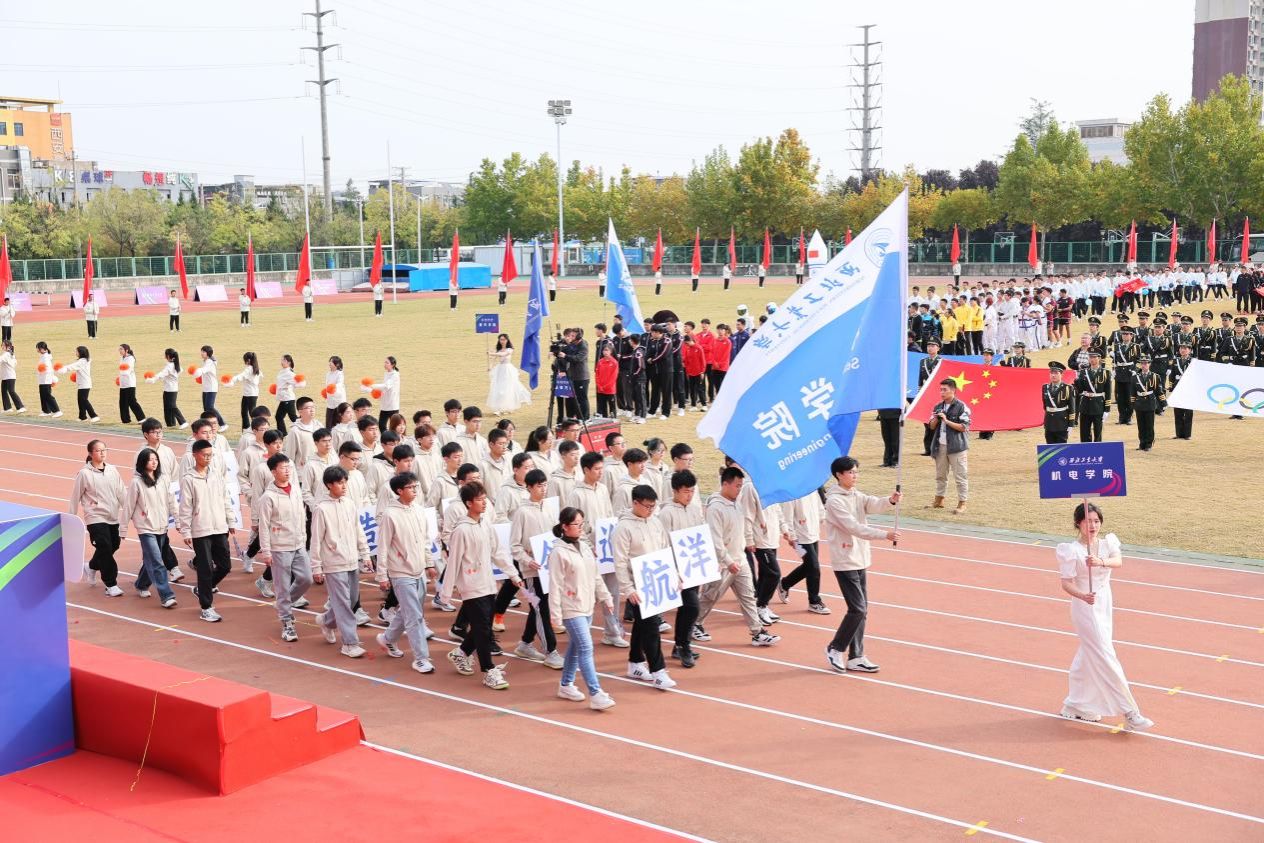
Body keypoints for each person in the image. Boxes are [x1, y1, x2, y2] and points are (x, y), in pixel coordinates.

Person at [1056, 503, 1153, 731]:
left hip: (1104, 603)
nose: (1093, 525)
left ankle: (1076, 704)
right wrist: (1082, 595)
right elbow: (1066, 583)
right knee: (1105, 654)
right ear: (1078, 523)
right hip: (1085, 606)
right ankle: (1130, 712)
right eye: (1087, 521)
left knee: (1090, 652)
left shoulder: (1108, 543)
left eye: (1096, 521)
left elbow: (1118, 561)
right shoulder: (1071, 550)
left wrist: (1100, 562)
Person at [442, 481, 522, 689]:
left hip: (487, 583)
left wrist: (513, 574)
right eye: (479, 499)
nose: (484, 503)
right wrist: (445, 592)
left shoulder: (486, 524)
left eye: (485, 498)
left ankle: (461, 653)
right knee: (484, 629)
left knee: (483, 625)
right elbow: (453, 562)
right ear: (469, 503)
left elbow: (498, 552)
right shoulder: (461, 531)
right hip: (471, 586)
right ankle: (488, 670)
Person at [823, 456, 900, 673]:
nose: (855, 475)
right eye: (851, 472)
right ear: (839, 475)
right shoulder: (834, 501)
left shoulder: (855, 494)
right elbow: (853, 527)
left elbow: (871, 503)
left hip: (860, 558)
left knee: (862, 610)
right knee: (857, 608)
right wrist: (884, 535)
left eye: (856, 472)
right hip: (845, 560)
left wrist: (890, 500)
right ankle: (835, 648)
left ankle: (856, 656)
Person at [695, 466, 780, 648]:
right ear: (725, 484)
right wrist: (728, 561)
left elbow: (742, 527)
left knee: (748, 596)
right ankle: (694, 623)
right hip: (722, 563)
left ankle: (757, 632)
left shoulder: (737, 504)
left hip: (740, 560)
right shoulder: (715, 508)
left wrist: (748, 542)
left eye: (741, 486)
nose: (739, 489)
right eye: (737, 486)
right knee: (711, 596)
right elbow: (715, 540)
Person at [548, 507, 617, 710]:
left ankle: (565, 685)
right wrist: (555, 615)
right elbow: (555, 585)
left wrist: (606, 597)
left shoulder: (585, 547)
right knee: (586, 648)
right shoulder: (558, 553)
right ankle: (596, 693)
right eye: (576, 524)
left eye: (582, 524)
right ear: (564, 526)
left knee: (576, 646)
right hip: (571, 608)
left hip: (587, 605)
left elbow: (596, 576)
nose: (580, 528)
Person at [612, 484, 677, 690]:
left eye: (653, 506)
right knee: (651, 627)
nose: (650, 510)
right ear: (635, 503)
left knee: (643, 624)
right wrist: (628, 589)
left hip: (656, 581)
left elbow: (665, 549)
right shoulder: (623, 528)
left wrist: (673, 575)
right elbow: (620, 562)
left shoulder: (656, 522)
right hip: (638, 585)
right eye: (647, 506)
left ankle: (635, 662)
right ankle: (658, 671)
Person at [374, 472, 438, 674]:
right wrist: (382, 575)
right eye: (410, 487)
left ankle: (387, 639)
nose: (415, 490)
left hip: (418, 571)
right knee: (414, 617)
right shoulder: (390, 515)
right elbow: (383, 547)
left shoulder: (419, 510)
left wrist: (429, 563)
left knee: (408, 612)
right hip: (400, 572)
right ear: (399, 491)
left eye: (415, 486)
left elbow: (425, 539)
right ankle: (421, 658)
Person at [310, 465, 370, 657]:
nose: (344, 486)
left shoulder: (350, 504)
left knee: (351, 601)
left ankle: (327, 621)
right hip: (333, 563)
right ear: (329, 485)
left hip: (352, 560)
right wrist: (316, 566)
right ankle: (349, 643)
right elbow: (316, 539)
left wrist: (365, 553)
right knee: (343, 603)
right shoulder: (321, 509)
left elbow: (358, 530)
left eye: (345, 482)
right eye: (339, 483)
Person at [509, 469, 564, 668]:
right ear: (529, 487)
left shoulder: (549, 508)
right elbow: (514, 545)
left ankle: (525, 643)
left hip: (549, 567)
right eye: (539, 486)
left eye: (545, 484)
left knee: (540, 607)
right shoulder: (522, 512)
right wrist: (527, 560)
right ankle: (551, 651)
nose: (543, 489)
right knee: (541, 607)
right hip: (532, 570)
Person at [255, 452, 314, 642]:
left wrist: (304, 538)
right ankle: (287, 623)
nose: (287, 471)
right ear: (273, 472)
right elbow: (264, 526)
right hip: (279, 548)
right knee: (282, 587)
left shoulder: (295, 489)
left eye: (289, 467)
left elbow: (301, 516)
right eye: (283, 468)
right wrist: (266, 551)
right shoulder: (268, 497)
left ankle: (283, 603)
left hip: (298, 544)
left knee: (306, 578)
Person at [178, 439, 238, 622]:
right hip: (200, 529)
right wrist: (186, 531)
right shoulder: (189, 479)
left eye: (210, 455)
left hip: (219, 526)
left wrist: (230, 520)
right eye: (205, 455)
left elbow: (225, 499)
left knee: (225, 566)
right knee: (205, 568)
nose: (208, 458)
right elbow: (185, 506)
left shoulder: (216, 475)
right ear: (195, 455)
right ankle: (206, 607)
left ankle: (202, 589)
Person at [656, 470, 707, 667]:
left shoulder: (694, 510)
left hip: (694, 565)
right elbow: (664, 542)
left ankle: (680, 645)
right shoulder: (666, 513)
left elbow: (701, 534)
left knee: (687, 608)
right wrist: (673, 569)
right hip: (677, 568)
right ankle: (683, 646)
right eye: (686, 491)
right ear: (675, 491)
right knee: (692, 607)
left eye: (692, 491)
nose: (690, 495)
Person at [121, 448, 178, 608]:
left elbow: (172, 502)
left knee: (152, 559)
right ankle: (166, 596)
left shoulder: (164, 479)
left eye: (156, 459)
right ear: (142, 462)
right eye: (150, 459)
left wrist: (179, 521)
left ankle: (141, 584)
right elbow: (128, 506)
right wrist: (123, 528)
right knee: (157, 562)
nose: (154, 462)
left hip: (162, 526)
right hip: (145, 528)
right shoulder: (136, 482)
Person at [69, 439, 126, 595]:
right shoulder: (84, 474)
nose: (102, 453)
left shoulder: (112, 470)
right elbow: (75, 496)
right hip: (95, 517)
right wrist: (71, 519)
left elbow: (121, 492)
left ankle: (91, 566)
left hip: (112, 516)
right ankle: (111, 584)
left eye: (104, 450)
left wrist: (130, 511)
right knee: (105, 547)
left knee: (114, 545)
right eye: (98, 450)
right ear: (90, 453)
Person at [778, 487, 829, 614]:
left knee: (809, 566)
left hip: (813, 533)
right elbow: (787, 516)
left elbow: (819, 507)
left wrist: (823, 518)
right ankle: (814, 601)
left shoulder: (812, 488)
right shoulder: (791, 491)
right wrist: (791, 536)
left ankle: (784, 584)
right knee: (814, 567)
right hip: (799, 538)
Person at [927, 377, 970, 514]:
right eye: (940, 390)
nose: (942, 392)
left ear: (953, 390)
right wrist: (936, 418)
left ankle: (962, 502)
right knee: (940, 475)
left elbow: (964, 427)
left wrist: (946, 421)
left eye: (945, 390)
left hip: (957, 446)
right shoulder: (938, 406)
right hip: (940, 445)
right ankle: (939, 500)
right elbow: (931, 426)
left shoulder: (962, 406)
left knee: (960, 476)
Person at [486, 334, 531, 414]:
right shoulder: (498, 349)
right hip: (500, 370)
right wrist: (490, 367)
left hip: (507, 370)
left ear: (507, 340)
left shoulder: (510, 349)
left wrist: (492, 353)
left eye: (504, 339)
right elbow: (493, 359)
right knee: (499, 389)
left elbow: (503, 354)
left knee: (507, 388)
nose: (502, 341)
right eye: (501, 339)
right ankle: (498, 409)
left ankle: (507, 407)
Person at [1131, 355, 1165, 452]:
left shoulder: (1155, 376)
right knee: (1141, 425)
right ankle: (1142, 443)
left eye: (1146, 363)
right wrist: (1133, 404)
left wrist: (1163, 403)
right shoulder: (1135, 377)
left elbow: (1159, 391)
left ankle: (1149, 443)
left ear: (1149, 364)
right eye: (1142, 363)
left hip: (1150, 402)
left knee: (1149, 425)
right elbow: (1132, 392)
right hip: (1139, 403)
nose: (1144, 365)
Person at [61, 345, 100, 422]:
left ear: (81, 352)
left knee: (84, 400)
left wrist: (63, 368)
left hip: (85, 384)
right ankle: (82, 417)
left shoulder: (82, 362)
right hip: (82, 384)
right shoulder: (84, 361)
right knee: (80, 400)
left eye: (77, 351)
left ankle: (94, 416)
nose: (76, 353)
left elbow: (72, 366)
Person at [1042, 362, 1076, 444]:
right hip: (1049, 422)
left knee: (1061, 447)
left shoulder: (1068, 388)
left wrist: (1071, 424)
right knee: (1049, 446)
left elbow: (1072, 408)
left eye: (1056, 373)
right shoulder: (1045, 387)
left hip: (1062, 422)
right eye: (1051, 373)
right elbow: (1045, 405)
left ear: (1061, 375)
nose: (1053, 375)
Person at [364, 356, 401, 431]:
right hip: (384, 405)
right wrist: (371, 390)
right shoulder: (386, 373)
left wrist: (372, 386)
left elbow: (386, 386)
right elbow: (384, 388)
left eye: (387, 362)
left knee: (394, 427)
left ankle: (393, 438)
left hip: (392, 406)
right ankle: (386, 437)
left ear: (392, 365)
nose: (385, 364)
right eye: (385, 362)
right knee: (381, 425)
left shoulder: (395, 375)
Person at [1168, 339, 1195, 440]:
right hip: (1177, 387)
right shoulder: (1176, 361)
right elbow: (1172, 375)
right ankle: (1179, 433)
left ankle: (1187, 434)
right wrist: (1171, 386)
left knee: (1188, 412)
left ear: (1190, 350)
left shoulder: (1193, 362)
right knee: (1178, 412)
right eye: (1181, 348)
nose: (1183, 350)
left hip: (1189, 388)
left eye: (1185, 348)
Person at [228, 351, 262, 430]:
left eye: (245, 360)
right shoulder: (255, 368)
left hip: (250, 395)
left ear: (248, 360)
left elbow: (241, 376)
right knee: (246, 413)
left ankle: (255, 429)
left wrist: (232, 380)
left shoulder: (249, 369)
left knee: (250, 413)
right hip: (250, 394)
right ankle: (247, 429)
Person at [194, 345, 226, 428]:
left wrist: (197, 371)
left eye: (203, 352)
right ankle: (208, 425)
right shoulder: (205, 361)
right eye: (201, 351)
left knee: (210, 407)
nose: (202, 353)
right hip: (206, 388)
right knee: (206, 408)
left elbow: (204, 370)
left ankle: (223, 424)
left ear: (208, 353)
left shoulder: (209, 362)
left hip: (211, 388)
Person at [115, 344, 145, 423]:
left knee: (132, 402)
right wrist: (119, 378)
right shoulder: (122, 358)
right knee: (122, 403)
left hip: (130, 383)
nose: (120, 351)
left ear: (126, 350)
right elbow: (121, 370)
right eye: (119, 349)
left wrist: (122, 374)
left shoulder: (131, 358)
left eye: (121, 349)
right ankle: (126, 420)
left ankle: (142, 418)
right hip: (123, 384)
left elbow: (128, 370)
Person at [274, 354, 298, 434]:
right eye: (281, 360)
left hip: (288, 399)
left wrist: (290, 387)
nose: (282, 362)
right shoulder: (282, 371)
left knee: (293, 418)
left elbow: (296, 383)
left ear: (289, 362)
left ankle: (305, 429)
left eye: (284, 360)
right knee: (279, 416)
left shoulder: (289, 373)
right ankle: (283, 434)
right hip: (284, 399)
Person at [0, 340, 25, 414]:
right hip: (6, 376)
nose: (2, 346)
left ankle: (21, 407)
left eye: (3, 345)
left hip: (9, 376)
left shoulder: (6, 355)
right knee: (4, 391)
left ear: (8, 347)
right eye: (2, 345)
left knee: (11, 391)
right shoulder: (10, 354)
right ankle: (7, 408)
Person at [594, 341, 618, 418]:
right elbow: (597, 375)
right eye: (604, 350)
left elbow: (614, 377)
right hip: (601, 389)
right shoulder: (600, 362)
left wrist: (606, 386)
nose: (605, 352)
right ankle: (605, 419)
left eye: (607, 350)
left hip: (610, 389)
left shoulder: (614, 362)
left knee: (612, 407)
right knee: (603, 407)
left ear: (611, 351)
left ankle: (613, 419)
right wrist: (599, 385)